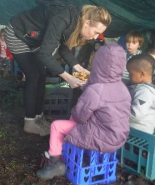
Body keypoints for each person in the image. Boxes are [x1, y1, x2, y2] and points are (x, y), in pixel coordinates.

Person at [4, 0, 111, 136]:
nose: (96, 37)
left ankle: (38, 117)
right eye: (96, 32)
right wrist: (68, 78)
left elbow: (62, 47)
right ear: (87, 22)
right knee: (33, 75)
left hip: (33, 39)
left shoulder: (75, 22)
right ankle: (29, 122)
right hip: (18, 34)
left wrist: (79, 68)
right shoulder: (63, 19)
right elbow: (45, 55)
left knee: (41, 75)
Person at [36, 43, 131, 180]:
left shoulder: (96, 90)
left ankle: (56, 162)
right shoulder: (122, 88)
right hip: (118, 136)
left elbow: (80, 116)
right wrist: (87, 87)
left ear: (97, 64)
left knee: (57, 125)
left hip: (99, 137)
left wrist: (85, 96)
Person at [127, 54, 155, 134]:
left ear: (142, 74)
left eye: (131, 73)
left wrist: (117, 113)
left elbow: (136, 114)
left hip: (138, 135)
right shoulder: (138, 87)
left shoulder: (145, 92)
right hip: (132, 132)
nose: (129, 76)